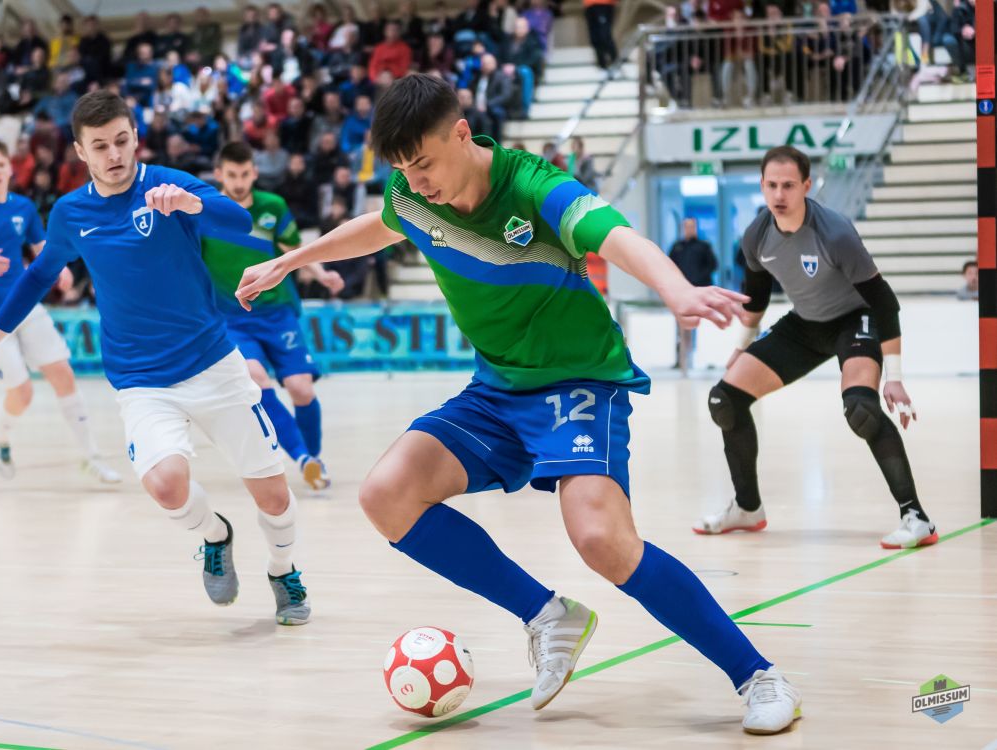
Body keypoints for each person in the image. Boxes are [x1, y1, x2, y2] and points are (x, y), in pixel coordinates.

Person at [235, 74, 803, 735]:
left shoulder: (534, 186)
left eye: (423, 164)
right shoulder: (410, 194)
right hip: (497, 388)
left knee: (601, 540)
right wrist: (292, 260)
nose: (415, 183)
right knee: (385, 494)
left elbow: (615, 236)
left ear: (460, 133)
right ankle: (547, 615)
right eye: (401, 170)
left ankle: (759, 676)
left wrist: (675, 289)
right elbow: (382, 227)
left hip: (579, 383)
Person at [0, 92, 311, 626]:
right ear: (80, 151)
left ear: (136, 138)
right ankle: (216, 535)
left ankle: (283, 569)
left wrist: (192, 205)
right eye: (100, 146)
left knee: (274, 496)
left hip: (213, 363)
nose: (114, 153)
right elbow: (37, 277)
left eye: (122, 140)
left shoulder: (168, 184)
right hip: (141, 380)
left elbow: (238, 221)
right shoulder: (70, 213)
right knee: (166, 485)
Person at [696, 146, 937, 550]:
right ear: (762, 186)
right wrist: (741, 348)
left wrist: (894, 377)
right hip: (805, 325)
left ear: (806, 186)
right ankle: (748, 508)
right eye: (772, 185)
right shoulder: (756, 235)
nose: (779, 194)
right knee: (725, 399)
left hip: (854, 320)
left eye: (789, 185)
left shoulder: (835, 234)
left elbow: (884, 302)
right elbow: (757, 297)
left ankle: (917, 518)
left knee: (861, 409)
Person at [0, 140, 118, 482]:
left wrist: (59, 268)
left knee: (63, 374)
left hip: (25, 307)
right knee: (22, 393)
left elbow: (42, 247)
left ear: (10, 170)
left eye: (1, 164)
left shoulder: (23, 207)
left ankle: (92, 457)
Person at [203, 142, 342, 489]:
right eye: (231, 175)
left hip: (278, 313)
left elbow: (294, 251)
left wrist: (322, 274)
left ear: (254, 172)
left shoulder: (273, 207)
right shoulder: (205, 212)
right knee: (255, 377)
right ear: (219, 174)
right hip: (232, 317)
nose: (239, 182)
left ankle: (314, 460)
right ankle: (303, 458)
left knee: (301, 389)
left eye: (244, 174)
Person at [669, 218, 718, 370]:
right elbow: (669, 266)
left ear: (696, 227)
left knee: (697, 325)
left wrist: (698, 281)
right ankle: (682, 360)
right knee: (681, 326)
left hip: (699, 292)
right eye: (686, 226)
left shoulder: (704, 246)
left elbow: (713, 265)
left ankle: (697, 358)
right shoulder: (677, 247)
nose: (689, 229)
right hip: (681, 294)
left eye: (692, 226)